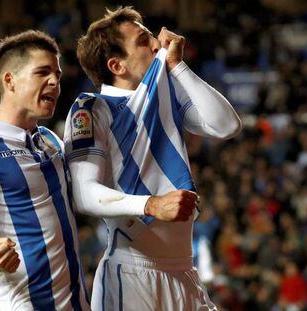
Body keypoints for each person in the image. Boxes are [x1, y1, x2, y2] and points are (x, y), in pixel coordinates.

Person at [63, 6, 241, 310]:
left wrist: (178, 65)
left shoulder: (166, 93)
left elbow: (227, 125)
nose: (158, 45)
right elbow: (83, 194)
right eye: (144, 42)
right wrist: (152, 204)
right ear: (117, 65)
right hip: (133, 273)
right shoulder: (92, 109)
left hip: (184, 271)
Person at [0, 30, 90, 310]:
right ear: (10, 80)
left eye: (58, 75)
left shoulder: (50, 140)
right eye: (43, 72)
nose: (54, 82)